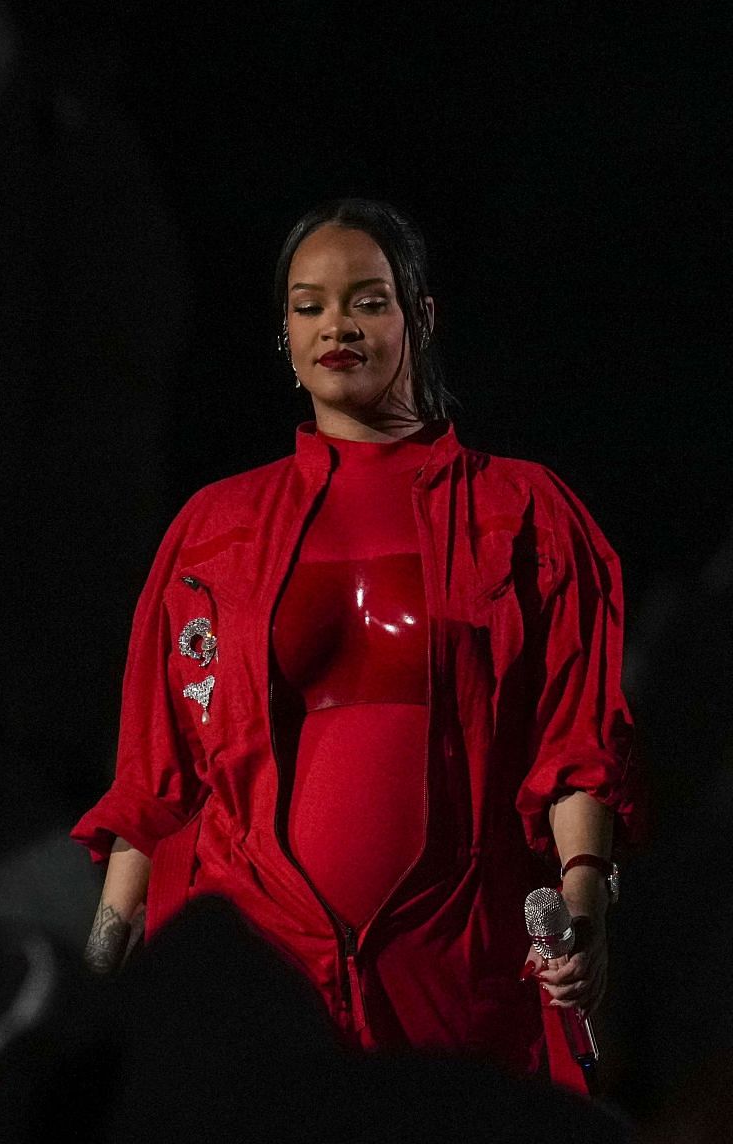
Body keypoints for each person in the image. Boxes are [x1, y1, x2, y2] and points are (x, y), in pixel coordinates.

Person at [70, 198, 647, 1087]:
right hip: (256, 963)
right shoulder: (215, 526)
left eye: (367, 300)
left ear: (420, 315)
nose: (336, 324)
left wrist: (584, 900)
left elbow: (573, 740)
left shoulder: (524, 512)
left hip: (455, 958)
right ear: (285, 337)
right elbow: (155, 778)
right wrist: (102, 972)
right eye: (309, 306)